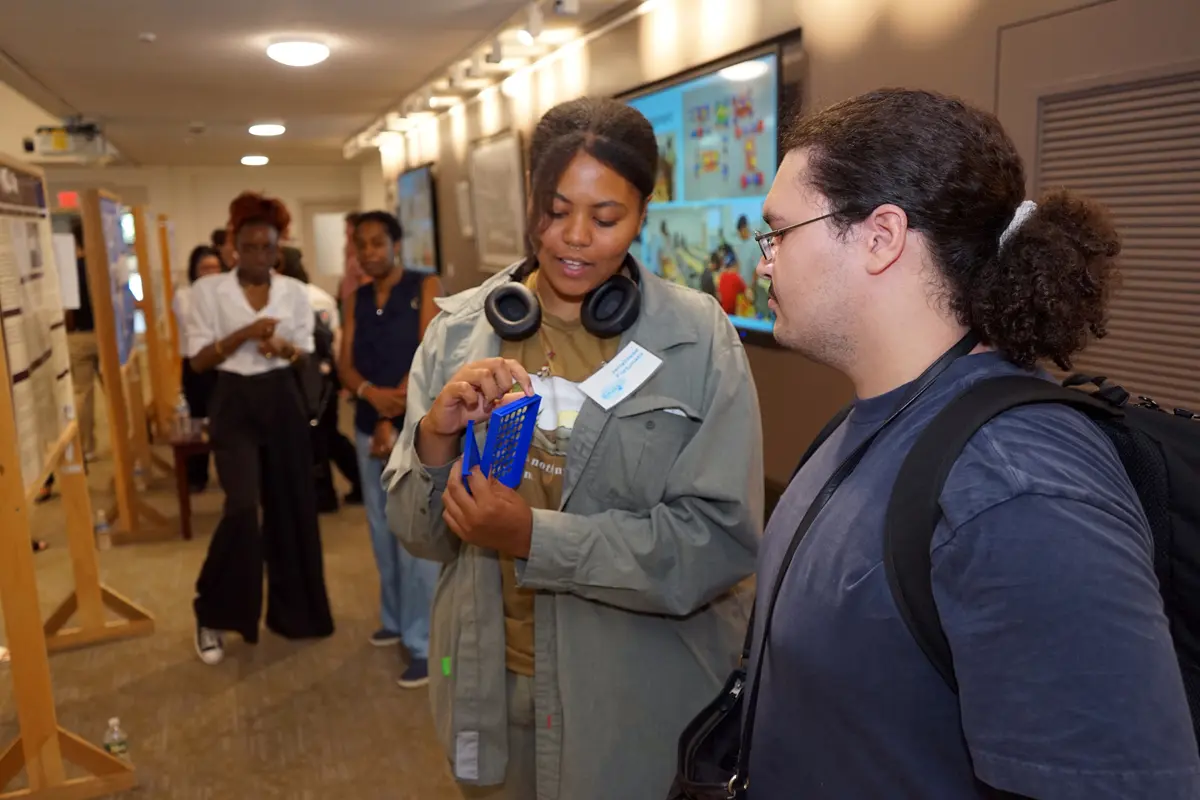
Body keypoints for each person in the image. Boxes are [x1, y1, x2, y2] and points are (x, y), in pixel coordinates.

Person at [746, 88, 1200, 798]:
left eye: (779, 232)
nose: (765, 262)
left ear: (880, 236)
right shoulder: (867, 421)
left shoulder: (1018, 485)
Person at [383, 97, 762, 799]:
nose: (575, 239)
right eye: (555, 212)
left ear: (643, 214)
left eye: (606, 218)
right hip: (491, 687)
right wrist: (435, 436)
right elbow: (418, 535)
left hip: (633, 700)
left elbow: (717, 544)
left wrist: (534, 538)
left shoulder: (696, 340)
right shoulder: (457, 332)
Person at [186, 191, 334, 666]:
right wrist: (245, 335)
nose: (256, 256)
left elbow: (303, 353)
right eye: (248, 247)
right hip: (233, 400)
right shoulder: (208, 291)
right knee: (243, 507)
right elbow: (199, 360)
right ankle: (214, 613)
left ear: (277, 249)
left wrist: (280, 348)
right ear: (234, 247)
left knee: (292, 504)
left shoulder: (293, 292)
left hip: (281, 397)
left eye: (266, 247)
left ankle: (296, 613)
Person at [338, 210, 441, 684]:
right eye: (361, 244)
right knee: (380, 529)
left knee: (412, 533)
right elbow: (345, 365)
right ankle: (395, 620)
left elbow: (428, 354)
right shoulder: (355, 298)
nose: (369, 252)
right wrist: (369, 398)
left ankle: (424, 644)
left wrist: (388, 413)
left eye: (377, 242)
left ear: (396, 244)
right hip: (368, 425)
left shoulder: (424, 285)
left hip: (413, 425)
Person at [276, 247, 363, 512]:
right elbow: (336, 339)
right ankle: (346, 485)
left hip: (306, 378)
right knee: (327, 433)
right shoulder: (320, 297)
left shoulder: (293, 299)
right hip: (324, 378)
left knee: (318, 437)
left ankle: (324, 493)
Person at [172, 245, 224, 491]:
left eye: (215, 268)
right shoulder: (184, 295)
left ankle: (229, 472)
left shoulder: (230, 294)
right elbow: (195, 326)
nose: (210, 273)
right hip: (196, 365)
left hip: (223, 363)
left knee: (224, 417)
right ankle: (196, 475)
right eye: (205, 268)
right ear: (194, 270)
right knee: (198, 420)